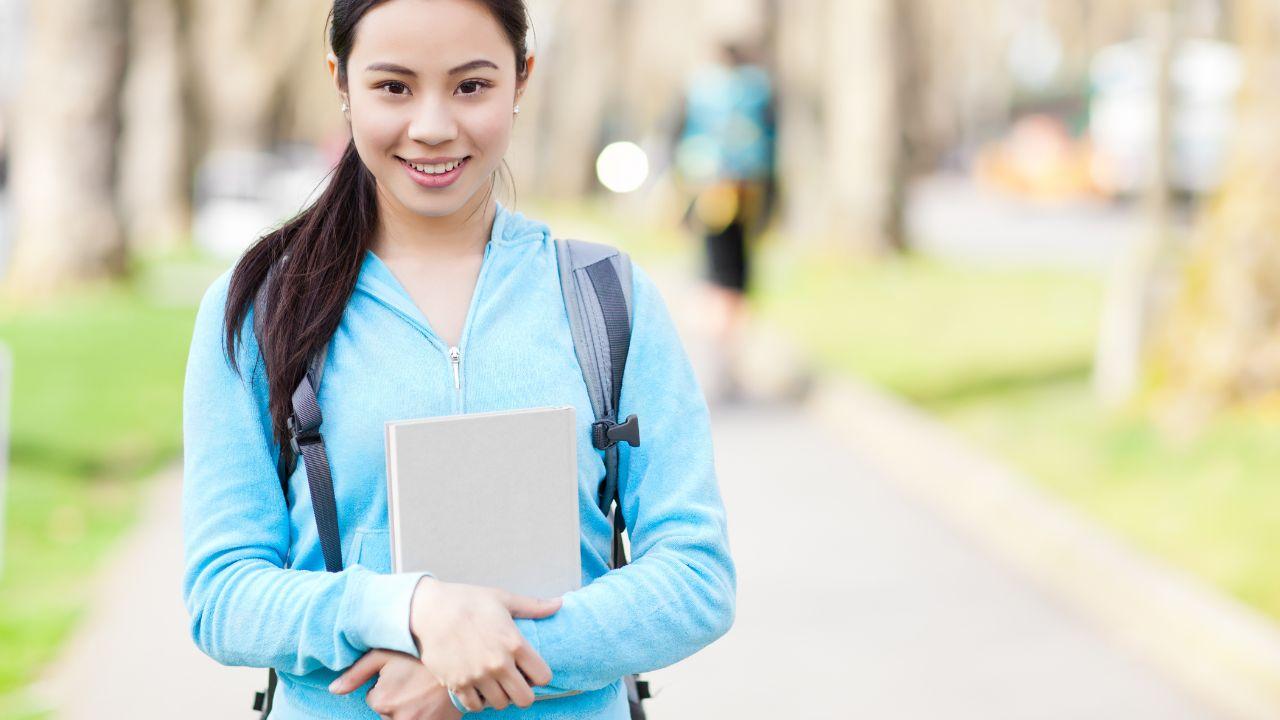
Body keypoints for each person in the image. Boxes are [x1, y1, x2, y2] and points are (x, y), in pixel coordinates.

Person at [180, 1, 736, 719]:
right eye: (394, 87)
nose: (434, 126)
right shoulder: (260, 306)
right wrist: (409, 609)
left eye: (471, 86)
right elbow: (222, 596)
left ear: (522, 79)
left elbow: (696, 578)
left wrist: (479, 664)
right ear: (341, 82)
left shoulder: (606, 298)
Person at [673, 41, 777, 402]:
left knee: (712, 275)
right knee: (734, 281)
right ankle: (726, 358)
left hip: (707, 195)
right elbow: (771, 146)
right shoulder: (758, 92)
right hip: (746, 195)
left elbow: (678, 139)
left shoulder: (699, 90)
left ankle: (715, 358)